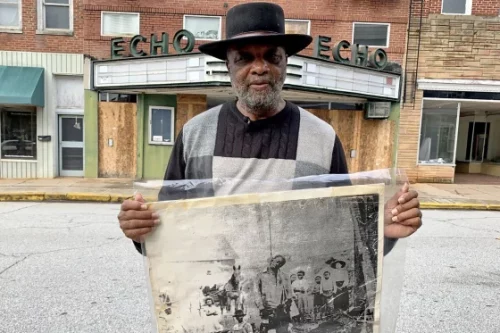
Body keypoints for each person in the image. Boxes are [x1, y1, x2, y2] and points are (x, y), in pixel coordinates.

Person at [117, 2, 422, 254]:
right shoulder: (196, 134)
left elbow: (341, 235)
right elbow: (169, 229)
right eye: (245, 58)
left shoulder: (322, 138)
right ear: (229, 66)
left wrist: (383, 231)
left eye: (272, 57)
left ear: (285, 62)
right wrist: (141, 230)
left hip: (292, 321)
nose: (260, 67)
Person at [255, 255, 293, 333]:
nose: (277, 264)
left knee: (283, 330)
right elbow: (256, 292)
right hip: (267, 309)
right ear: (272, 260)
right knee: (266, 330)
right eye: (276, 261)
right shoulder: (261, 275)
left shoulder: (284, 276)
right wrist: (261, 307)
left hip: (281, 310)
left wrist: (288, 304)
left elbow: (289, 292)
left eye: (280, 263)